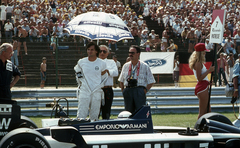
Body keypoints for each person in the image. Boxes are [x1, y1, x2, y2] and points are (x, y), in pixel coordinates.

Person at [74, 42, 108, 121]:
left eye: (92, 50)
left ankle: (93, 130)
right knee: (82, 111)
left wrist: (99, 85)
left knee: (95, 113)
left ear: (96, 51)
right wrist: (82, 84)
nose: (90, 51)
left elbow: (104, 76)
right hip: (85, 89)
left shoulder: (102, 63)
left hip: (96, 90)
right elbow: (78, 73)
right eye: (88, 50)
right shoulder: (81, 62)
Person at [118, 45, 155, 114]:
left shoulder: (144, 66)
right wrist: (123, 91)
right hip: (128, 90)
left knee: (140, 112)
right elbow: (121, 80)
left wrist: (145, 90)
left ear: (138, 54)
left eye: (132, 53)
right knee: (128, 113)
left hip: (139, 90)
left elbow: (151, 81)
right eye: (129, 53)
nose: (130, 54)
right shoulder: (126, 66)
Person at [188, 43, 214, 119]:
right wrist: (209, 70)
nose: (205, 53)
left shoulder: (199, 63)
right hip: (202, 87)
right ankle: (198, 128)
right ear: (200, 53)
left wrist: (208, 82)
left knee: (208, 111)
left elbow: (202, 77)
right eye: (204, 52)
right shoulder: (198, 63)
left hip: (204, 86)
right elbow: (199, 78)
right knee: (202, 113)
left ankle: (205, 128)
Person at [99, 45, 118, 119]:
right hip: (97, 89)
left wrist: (107, 71)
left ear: (108, 53)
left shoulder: (111, 62)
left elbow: (116, 73)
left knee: (106, 111)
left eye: (104, 51)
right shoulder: (93, 62)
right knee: (95, 110)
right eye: (100, 51)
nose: (102, 53)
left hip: (107, 89)